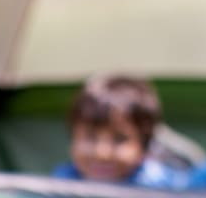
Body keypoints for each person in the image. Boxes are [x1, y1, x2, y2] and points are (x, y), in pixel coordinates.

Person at [51, 74, 184, 188]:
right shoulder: (63, 180)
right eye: (90, 137)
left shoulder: (158, 184)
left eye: (119, 139)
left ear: (144, 148)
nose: (102, 153)